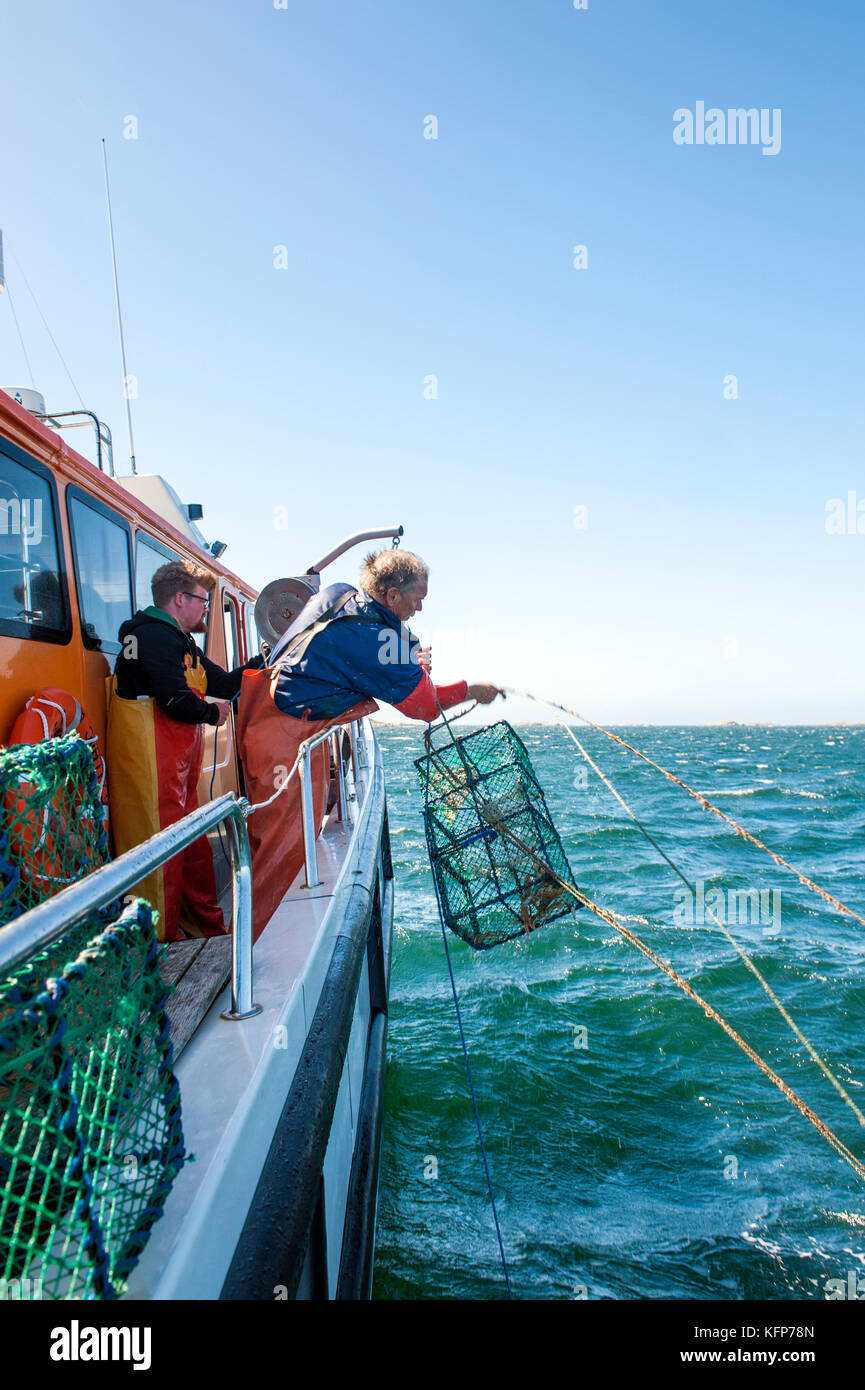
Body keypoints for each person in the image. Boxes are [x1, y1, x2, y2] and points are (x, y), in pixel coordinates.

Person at [236, 548, 503, 935]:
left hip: (268, 719)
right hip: (285, 739)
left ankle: (256, 936)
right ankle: (256, 957)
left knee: (276, 844)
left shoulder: (340, 595)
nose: (420, 609)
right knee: (282, 852)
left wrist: (407, 659)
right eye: (417, 600)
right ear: (392, 596)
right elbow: (425, 707)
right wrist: (471, 690)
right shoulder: (374, 638)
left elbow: (360, 650)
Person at [106, 560, 261, 942]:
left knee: (191, 852)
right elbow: (174, 698)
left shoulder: (180, 641)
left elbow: (223, 683)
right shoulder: (152, 636)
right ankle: (154, 944)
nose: (206, 609)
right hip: (150, 768)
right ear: (180, 599)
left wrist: (265, 661)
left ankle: (203, 931)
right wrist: (212, 712)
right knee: (160, 861)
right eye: (203, 602)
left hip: (177, 775)